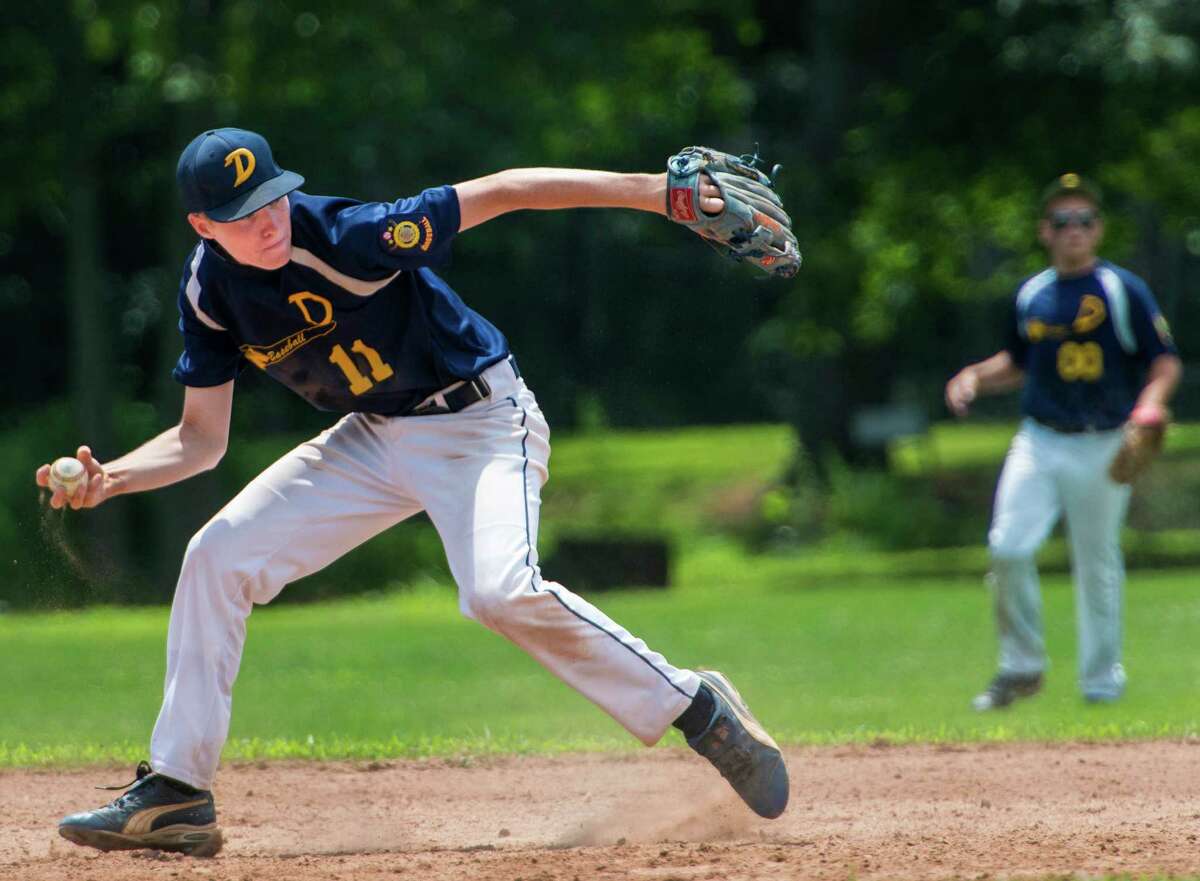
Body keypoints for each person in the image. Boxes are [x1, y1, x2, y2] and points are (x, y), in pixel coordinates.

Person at [40, 128, 791, 855]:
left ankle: (699, 708)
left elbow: (507, 191)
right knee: (216, 556)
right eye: (242, 215)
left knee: (498, 592)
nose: (268, 222)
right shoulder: (209, 291)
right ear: (203, 225)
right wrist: (116, 477)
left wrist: (658, 193)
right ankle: (178, 790)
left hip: (480, 421)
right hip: (372, 437)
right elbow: (201, 439)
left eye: (272, 199)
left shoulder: (348, 235)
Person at [945, 172, 1182, 712]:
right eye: (1062, 221)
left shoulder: (1121, 290)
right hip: (1041, 438)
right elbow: (1021, 363)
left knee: (1097, 562)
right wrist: (976, 377)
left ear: (1097, 231)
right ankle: (1022, 667)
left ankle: (1101, 683)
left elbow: (1164, 361)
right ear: (1044, 231)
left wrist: (1151, 404)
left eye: (1084, 220)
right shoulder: (1034, 294)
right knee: (1007, 547)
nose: (1074, 229)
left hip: (1103, 442)